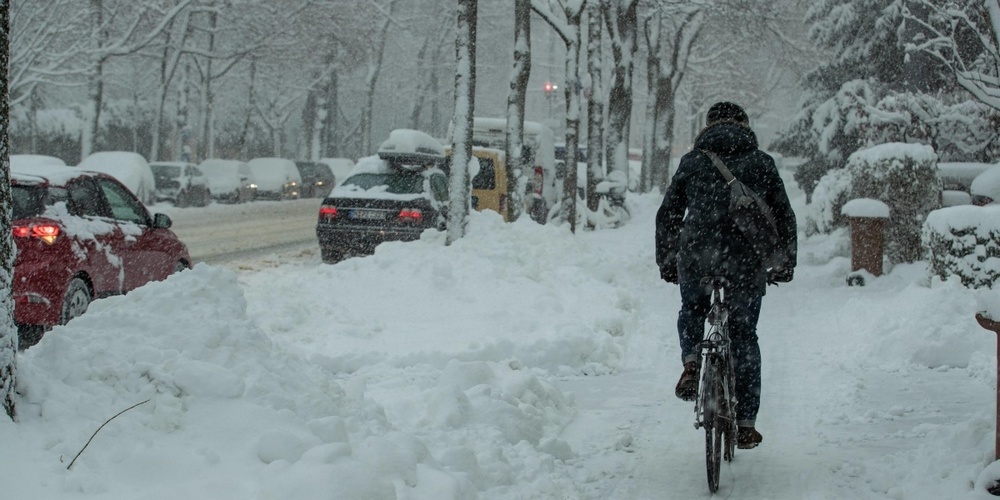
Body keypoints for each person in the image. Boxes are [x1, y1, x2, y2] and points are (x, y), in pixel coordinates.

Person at [654, 101, 797, 450]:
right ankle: (746, 423)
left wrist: (668, 260)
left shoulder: (693, 162)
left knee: (692, 310)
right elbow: (783, 214)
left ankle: (691, 361)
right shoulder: (761, 163)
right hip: (744, 264)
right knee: (744, 336)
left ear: (708, 127)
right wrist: (784, 261)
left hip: (698, 256)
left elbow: (668, 213)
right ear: (745, 127)